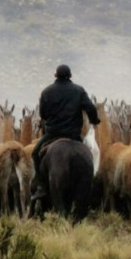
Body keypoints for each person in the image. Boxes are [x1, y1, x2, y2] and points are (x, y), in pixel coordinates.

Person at [31, 64, 101, 201]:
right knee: (90, 153)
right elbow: (91, 108)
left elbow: (43, 115)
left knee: (35, 154)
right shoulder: (79, 91)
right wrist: (94, 120)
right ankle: (92, 184)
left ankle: (41, 187)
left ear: (55, 75)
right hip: (74, 135)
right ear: (70, 76)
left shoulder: (46, 92)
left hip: (52, 134)